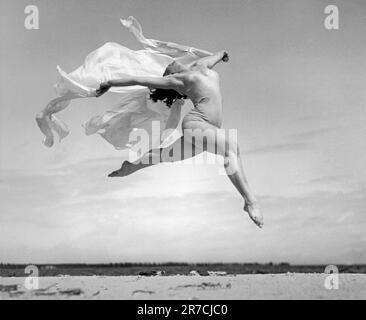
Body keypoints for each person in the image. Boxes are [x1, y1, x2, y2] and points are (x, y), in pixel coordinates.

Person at [95, 51, 264, 228]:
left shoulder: (201, 65)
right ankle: (250, 202)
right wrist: (109, 83)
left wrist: (222, 55)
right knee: (231, 148)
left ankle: (130, 167)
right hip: (196, 123)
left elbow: (215, 56)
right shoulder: (179, 80)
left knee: (166, 155)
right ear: (171, 75)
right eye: (167, 70)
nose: (168, 65)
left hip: (208, 128)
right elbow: (139, 80)